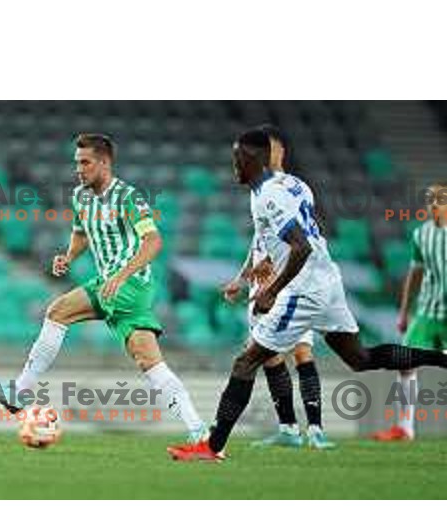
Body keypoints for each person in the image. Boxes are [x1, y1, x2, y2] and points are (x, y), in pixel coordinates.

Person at [167, 128, 447, 461]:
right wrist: (249, 274)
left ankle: (212, 447)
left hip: (304, 287)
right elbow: (286, 239)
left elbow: (299, 247)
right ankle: (441, 358)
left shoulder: (268, 194)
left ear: (255, 159)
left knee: (246, 361)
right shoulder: (295, 184)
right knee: (359, 358)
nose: (234, 165)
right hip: (327, 279)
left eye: (238, 158)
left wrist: (271, 290)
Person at [0, 133, 207, 442]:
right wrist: (68, 256)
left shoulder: (128, 196)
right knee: (148, 359)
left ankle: (18, 392)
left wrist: (121, 276)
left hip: (129, 284)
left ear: (104, 163)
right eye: (76, 163)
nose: (79, 169)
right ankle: (199, 431)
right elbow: (82, 233)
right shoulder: (81, 197)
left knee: (58, 311)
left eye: (85, 162)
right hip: (113, 285)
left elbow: (153, 242)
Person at [223, 124, 333, 449]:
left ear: (280, 151)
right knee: (270, 357)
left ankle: (315, 428)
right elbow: (259, 239)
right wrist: (243, 278)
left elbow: (304, 237)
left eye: (268, 148)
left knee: (301, 349)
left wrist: (281, 264)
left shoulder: (292, 186)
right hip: (263, 285)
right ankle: (289, 428)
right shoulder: (260, 191)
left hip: (291, 282)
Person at [373, 182, 447, 441]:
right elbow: (414, 274)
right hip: (427, 312)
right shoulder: (421, 234)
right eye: (432, 200)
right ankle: (405, 427)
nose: (435, 205)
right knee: (406, 363)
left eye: (441, 200)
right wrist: (404, 311)